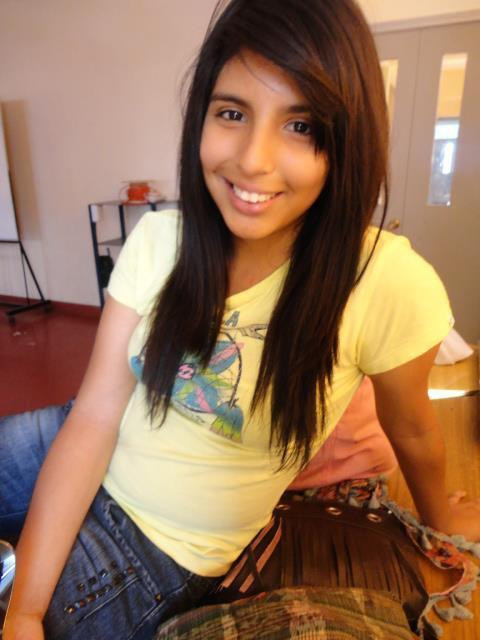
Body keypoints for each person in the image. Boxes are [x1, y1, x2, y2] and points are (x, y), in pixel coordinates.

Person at [2, 0, 480, 638]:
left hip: (160, 541)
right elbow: (92, 417)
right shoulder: (159, 240)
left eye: (301, 125)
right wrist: (24, 609)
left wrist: (440, 516)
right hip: (82, 438)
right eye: (232, 113)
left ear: (346, 141)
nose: (253, 160)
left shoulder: (382, 279)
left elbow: (413, 430)